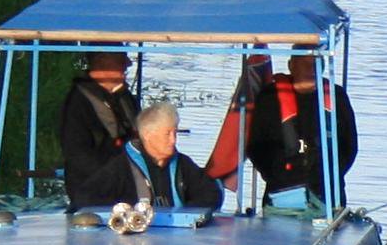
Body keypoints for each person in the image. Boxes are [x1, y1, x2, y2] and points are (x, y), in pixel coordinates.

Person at [243, 54, 359, 205]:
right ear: (291, 65)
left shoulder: (337, 96)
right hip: (281, 192)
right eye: (305, 64)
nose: (311, 69)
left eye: (316, 64)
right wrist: (276, 175)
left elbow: (349, 146)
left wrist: (332, 174)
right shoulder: (269, 97)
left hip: (327, 193)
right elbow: (256, 146)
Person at [74, 101, 225, 210]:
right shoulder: (120, 166)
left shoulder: (183, 164)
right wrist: (123, 211)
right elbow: (84, 197)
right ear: (147, 135)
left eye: (175, 132)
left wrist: (184, 212)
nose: (174, 140)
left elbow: (211, 194)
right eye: (167, 134)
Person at [52, 51, 143, 202]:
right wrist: (117, 177)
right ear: (101, 60)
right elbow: (77, 155)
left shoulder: (126, 98)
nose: (128, 63)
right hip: (92, 191)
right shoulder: (78, 103)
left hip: (131, 186)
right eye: (121, 58)